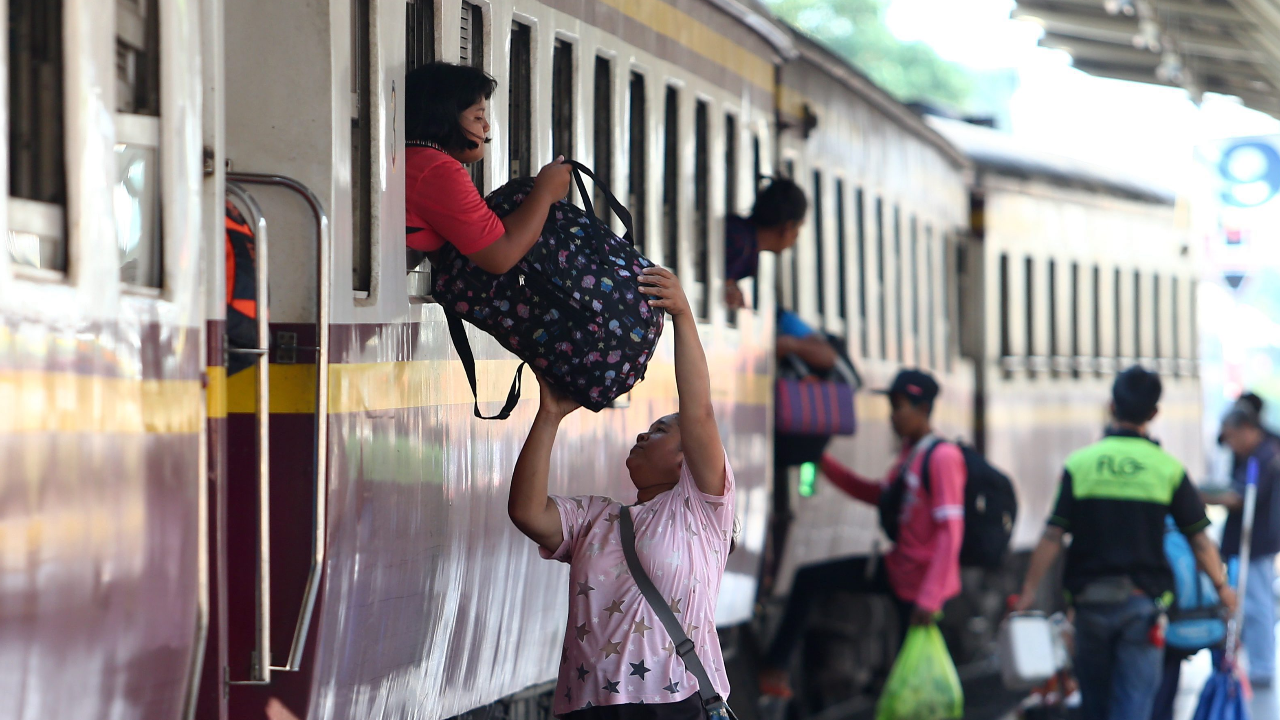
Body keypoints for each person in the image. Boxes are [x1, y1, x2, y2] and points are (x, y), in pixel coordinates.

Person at [507, 267, 736, 718]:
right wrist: (550, 415)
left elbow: (700, 412)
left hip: (674, 703)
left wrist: (682, 317)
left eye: (660, 430)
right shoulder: (596, 518)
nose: (642, 436)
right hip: (591, 707)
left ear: (685, 456)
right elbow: (527, 512)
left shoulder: (702, 509)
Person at [1015, 366, 1237, 720]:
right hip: (1142, 607)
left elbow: (1053, 535)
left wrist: (1028, 590)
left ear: (1111, 407)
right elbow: (1199, 540)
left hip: (1089, 606)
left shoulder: (1081, 465)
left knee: (1095, 708)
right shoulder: (1167, 469)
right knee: (1133, 708)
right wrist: (1223, 588)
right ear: (1153, 414)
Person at [758, 368, 967, 699]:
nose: (893, 418)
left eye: (900, 408)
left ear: (924, 408)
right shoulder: (912, 454)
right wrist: (821, 461)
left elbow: (951, 531)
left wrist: (930, 596)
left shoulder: (943, 457)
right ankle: (774, 669)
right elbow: (875, 495)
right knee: (809, 579)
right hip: (899, 568)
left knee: (912, 671)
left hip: (920, 582)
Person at [405, 62, 572, 274]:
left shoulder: (415, 160)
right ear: (444, 117)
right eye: (477, 117)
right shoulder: (437, 169)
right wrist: (545, 192)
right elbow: (500, 256)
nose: (486, 126)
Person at [1203, 404, 1280, 720]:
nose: (1230, 444)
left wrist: (1205, 497)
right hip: (1248, 541)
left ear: (1248, 429)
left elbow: (1244, 498)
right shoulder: (1254, 453)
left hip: (1257, 542)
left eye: (1233, 437)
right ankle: (1255, 660)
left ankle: (1261, 666)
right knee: (1253, 601)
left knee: (1258, 604)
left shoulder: (1264, 456)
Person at [723, 178, 808, 309]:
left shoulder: (742, 240)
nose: (796, 237)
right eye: (798, 228)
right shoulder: (738, 242)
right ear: (788, 226)